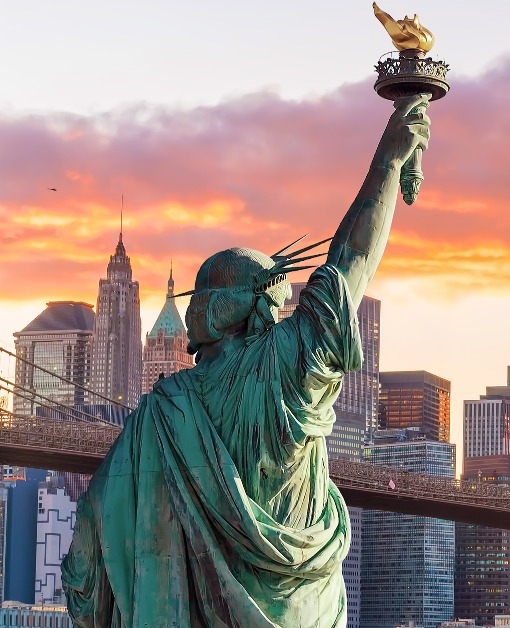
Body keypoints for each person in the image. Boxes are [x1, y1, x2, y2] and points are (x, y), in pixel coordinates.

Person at [62, 93, 431, 627]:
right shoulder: (287, 371)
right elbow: (350, 264)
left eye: (196, 297)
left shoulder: (162, 413)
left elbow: (90, 537)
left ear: (214, 310)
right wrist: (389, 164)